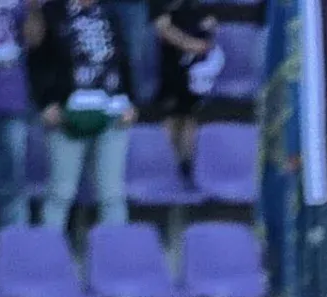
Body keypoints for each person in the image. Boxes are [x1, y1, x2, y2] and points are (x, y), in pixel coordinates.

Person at [26, 0, 135, 231]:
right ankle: (49, 250)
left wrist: (130, 100)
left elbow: (123, 57)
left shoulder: (110, 12)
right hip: (66, 114)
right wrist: (45, 104)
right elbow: (36, 59)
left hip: (112, 111)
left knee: (112, 193)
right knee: (61, 192)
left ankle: (116, 249)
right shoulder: (52, 12)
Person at [150, 0, 216, 188]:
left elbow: (209, 26)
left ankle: (187, 164)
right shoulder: (161, 5)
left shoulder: (194, 5)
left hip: (194, 73)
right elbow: (164, 30)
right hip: (171, 71)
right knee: (172, 117)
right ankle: (172, 163)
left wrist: (207, 36)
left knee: (189, 117)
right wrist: (191, 44)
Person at [0, 0, 42, 228]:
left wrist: (32, 8)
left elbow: (34, 39)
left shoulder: (17, 3)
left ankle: (14, 239)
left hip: (12, 98)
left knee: (13, 178)